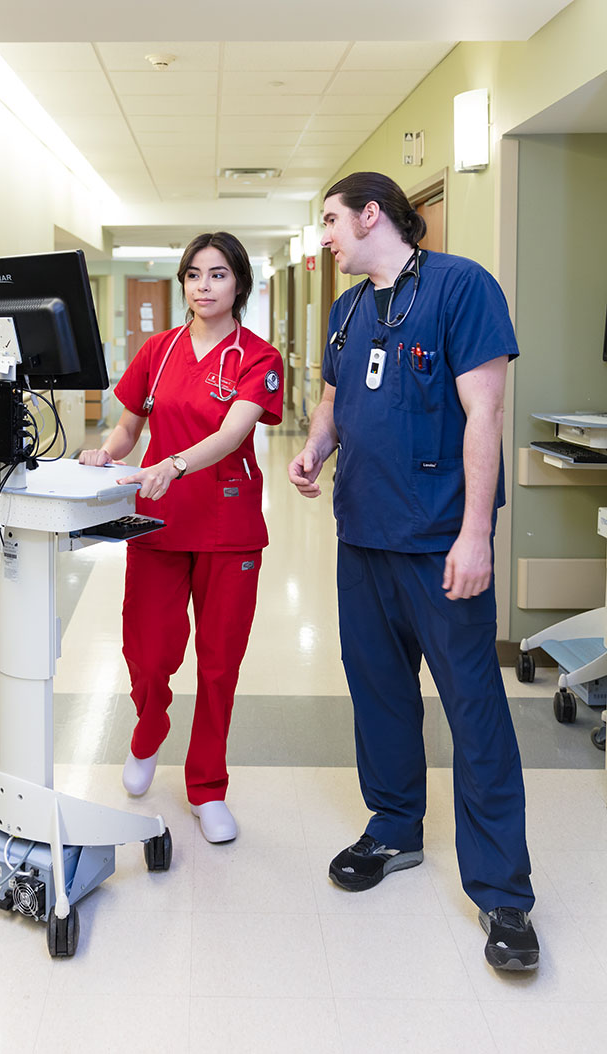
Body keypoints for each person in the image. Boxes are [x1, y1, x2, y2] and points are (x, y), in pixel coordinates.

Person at [288, 172, 539, 971]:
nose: (324, 237)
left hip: (438, 542)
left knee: (474, 709)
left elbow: (484, 415)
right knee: (379, 693)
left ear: (372, 215)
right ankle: (395, 829)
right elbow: (335, 398)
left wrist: (475, 535)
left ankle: (503, 893)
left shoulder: (463, 288)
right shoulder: (349, 307)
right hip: (362, 535)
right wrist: (315, 447)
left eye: (331, 220)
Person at [80, 232, 283, 843]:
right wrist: (105, 454)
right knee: (147, 652)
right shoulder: (159, 351)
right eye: (194, 275)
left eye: (217, 275)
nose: (204, 286)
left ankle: (207, 787)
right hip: (159, 521)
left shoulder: (258, 357)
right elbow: (129, 426)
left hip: (228, 525)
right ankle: (150, 727)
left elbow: (231, 433)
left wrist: (173, 464)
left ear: (239, 284)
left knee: (219, 664)